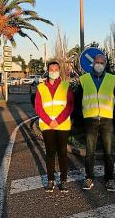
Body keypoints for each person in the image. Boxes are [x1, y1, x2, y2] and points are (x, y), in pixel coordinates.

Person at [79, 53, 115, 192]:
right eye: (97, 62)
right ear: (93, 63)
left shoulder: (112, 79)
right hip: (90, 119)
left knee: (108, 152)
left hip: (107, 120)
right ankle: (89, 178)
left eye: (102, 62)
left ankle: (110, 179)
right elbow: (79, 100)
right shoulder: (84, 79)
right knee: (90, 152)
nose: (99, 64)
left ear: (105, 64)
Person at [34, 61, 74, 193]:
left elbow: (70, 105)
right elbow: (38, 107)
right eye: (51, 69)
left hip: (62, 125)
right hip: (47, 125)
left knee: (62, 153)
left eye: (56, 69)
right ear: (48, 71)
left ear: (59, 71)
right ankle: (50, 180)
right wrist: (49, 121)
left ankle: (63, 180)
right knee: (50, 153)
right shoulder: (41, 87)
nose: (54, 71)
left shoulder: (65, 85)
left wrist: (57, 121)